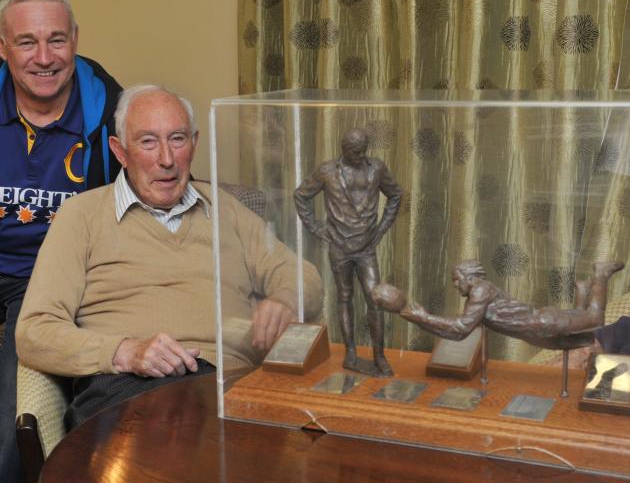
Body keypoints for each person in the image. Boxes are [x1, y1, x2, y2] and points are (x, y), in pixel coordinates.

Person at [16, 84, 322, 430]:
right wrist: (125, 352)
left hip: (232, 384)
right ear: (120, 151)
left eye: (177, 139)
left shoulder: (226, 209)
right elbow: (34, 332)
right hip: (129, 387)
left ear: (194, 143)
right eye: (148, 141)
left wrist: (284, 298)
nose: (166, 159)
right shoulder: (81, 216)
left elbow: (305, 277)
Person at [0, 0, 122, 481]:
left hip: (45, 284)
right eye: (27, 42)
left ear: (75, 38)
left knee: (9, 446)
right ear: (3, 47)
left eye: (57, 39)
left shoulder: (112, 110)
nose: (44, 57)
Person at [294, 128, 401, 377]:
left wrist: (382, 229)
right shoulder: (326, 171)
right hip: (339, 245)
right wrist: (317, 229)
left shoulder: (377, 168)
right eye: (355, 151)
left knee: (376, 299)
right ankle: (351, 353)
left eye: (364, 150)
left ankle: (379, 356)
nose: (361, 155)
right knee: (344, 297)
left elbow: (395, 195)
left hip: (366, 247)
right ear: (343, 148)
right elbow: (301, 195)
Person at [373, 259, 624, 351]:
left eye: (456, 280)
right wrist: (411, 315)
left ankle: (601, 273)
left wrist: (423, 316)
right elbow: (457, 334)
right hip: (535, 333)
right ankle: (581, 290)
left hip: (542, 323)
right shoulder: (478, 297)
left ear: (469, 277)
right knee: (582, 340)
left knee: (595, 320)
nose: (455, 286)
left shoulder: (481, 290)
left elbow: (460, 328)